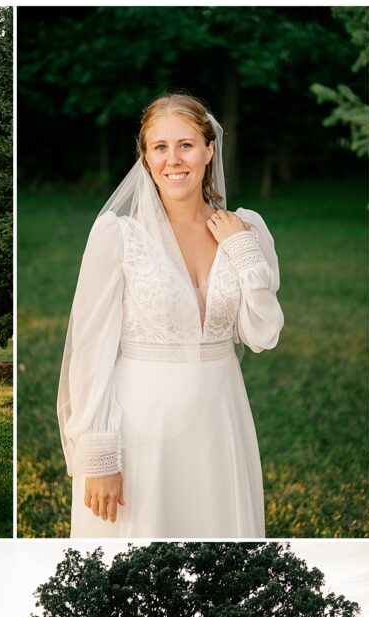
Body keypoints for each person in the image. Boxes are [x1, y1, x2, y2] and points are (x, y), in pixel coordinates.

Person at [57, 93, 284, 538]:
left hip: (222, 418)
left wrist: (242, 251)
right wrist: (100, 456)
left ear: (209, 149)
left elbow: (261, 333)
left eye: (186, 144)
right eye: (160, 147)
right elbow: (89, 353)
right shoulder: (118, 237)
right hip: (141, 424)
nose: (173, 160)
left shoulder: (246, 229)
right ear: (144, 157)